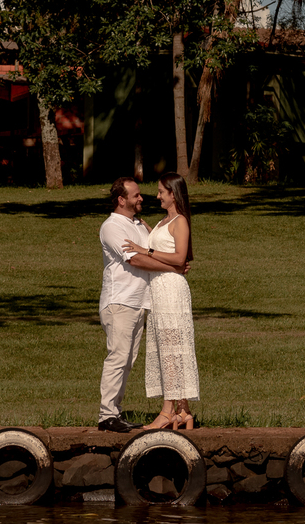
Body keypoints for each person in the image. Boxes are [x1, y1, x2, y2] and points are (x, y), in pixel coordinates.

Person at [96, 177, 183, 433]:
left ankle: (115, 412)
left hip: (139, 302)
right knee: (118, 357)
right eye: (135, 195)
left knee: (128, 359)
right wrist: (175, 267)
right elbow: (134, 260)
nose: (142, 198)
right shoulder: (112, 227)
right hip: (119, 300)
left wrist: (175, 262)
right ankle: (107, 415)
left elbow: (154, 252)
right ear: (121, 200)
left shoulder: (139, 225)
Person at [123, 171, 199, 430]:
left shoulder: (180, 221)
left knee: (172, 347)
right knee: (166, 347)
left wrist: (147, 251)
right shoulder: (161, 222)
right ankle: (183, 410)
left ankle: (168, 412)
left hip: (172, 292)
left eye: (160, 192)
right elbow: (173, 260)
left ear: (173, 194)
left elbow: (179, 258)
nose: (156, 196)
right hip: (158, 290)